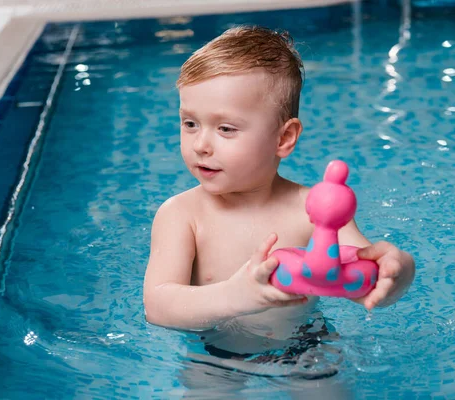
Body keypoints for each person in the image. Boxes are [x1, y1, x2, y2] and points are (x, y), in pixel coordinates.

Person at [143, 25, 415, 370]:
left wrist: (398, 273)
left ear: (284, 138)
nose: (201, 145)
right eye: (190, 123)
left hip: (305, 341)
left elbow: (364, 274)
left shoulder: (315, 209)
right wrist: (235, 296)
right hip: (214, 349)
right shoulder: (181, 214)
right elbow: (158, 306)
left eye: (226, 128)